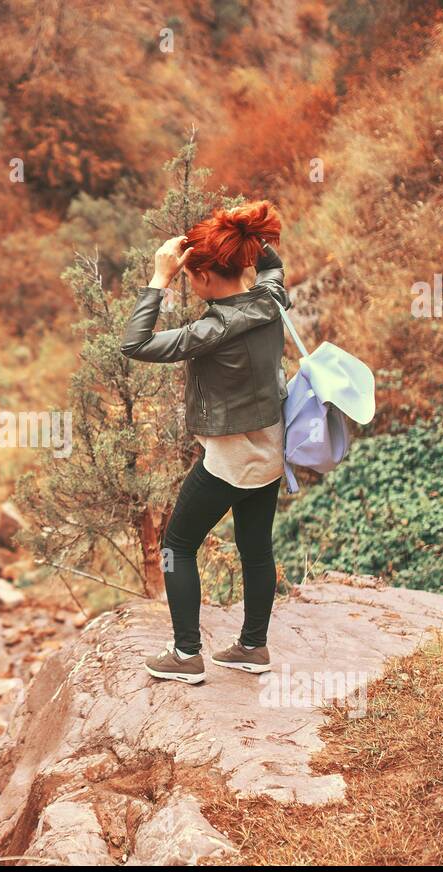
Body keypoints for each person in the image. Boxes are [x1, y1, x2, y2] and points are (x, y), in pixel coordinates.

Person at [119, 200, 291, 684]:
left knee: (177, 544)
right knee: (256, 547)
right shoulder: (270, 298)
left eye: (194, 278)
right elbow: (272, 262)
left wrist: (158, 278)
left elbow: (134, 344)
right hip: (271, 447)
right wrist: (234, 228)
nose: (192, 288)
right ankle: (253, 647)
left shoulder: (211, 329)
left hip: (231, 456)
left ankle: (186, 653)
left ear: (209, 278)